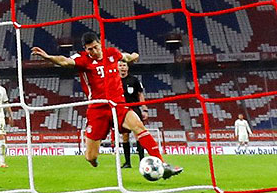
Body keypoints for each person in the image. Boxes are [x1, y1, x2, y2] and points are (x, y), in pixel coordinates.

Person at [31, 32, 182, 179]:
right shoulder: (83, 59)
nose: (93, 51)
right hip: (97, 109)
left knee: (139, 126)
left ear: (100, 44)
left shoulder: (112, 53)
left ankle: (163, 164)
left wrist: (134, 56)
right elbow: (64, 61)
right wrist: (48, 57)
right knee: (91, 156)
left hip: (118, 105)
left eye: (95, 47)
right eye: (89, 49)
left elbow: (126, 57)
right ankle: (92, 159)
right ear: (85, 49)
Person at [118, 60, 147, 168]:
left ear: (127, 67)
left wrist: (144, 109)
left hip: (134, 109)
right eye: (120, 65)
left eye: (124, 65)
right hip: (121, 110)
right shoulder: (114, 80)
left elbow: (140, 95)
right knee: (125, 136)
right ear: (117, 67)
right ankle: (127, 162)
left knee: (138, 135)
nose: (122, 67)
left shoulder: (134, 80)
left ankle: (142, 162)